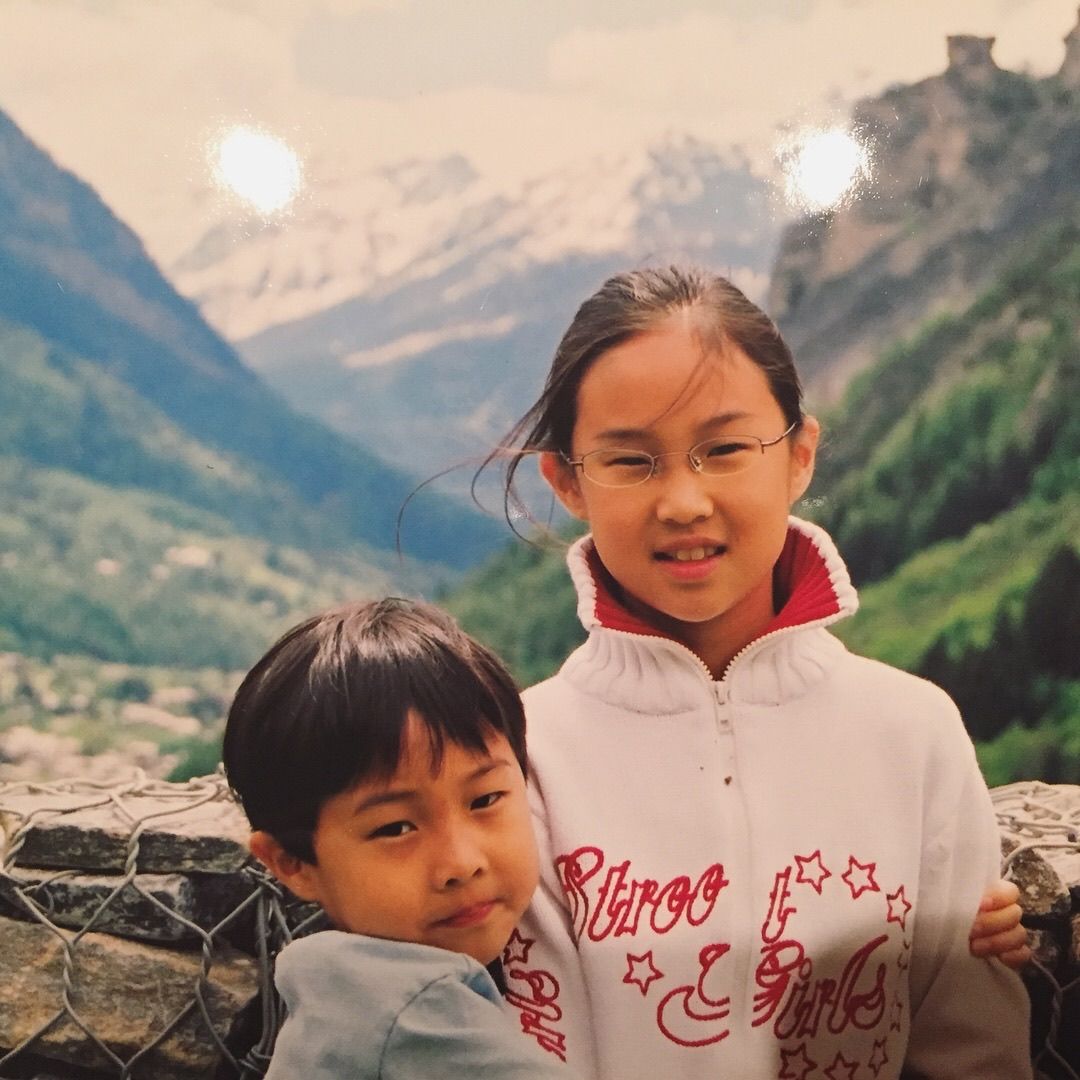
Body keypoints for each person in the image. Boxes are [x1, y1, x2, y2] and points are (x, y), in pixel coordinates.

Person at [486, 266, 1033, 1079]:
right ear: (567, 480)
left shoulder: (913, 733)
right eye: (631, 461)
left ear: (799, 456)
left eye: (725, 450)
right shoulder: (522, 762)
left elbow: (975, 1050)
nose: (683, 501)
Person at [222, 598, 570, 1080]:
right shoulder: (417, 1018)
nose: (461, 863)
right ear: (291, 863)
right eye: (395, 828)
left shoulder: (344, 997)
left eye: (485, 799)